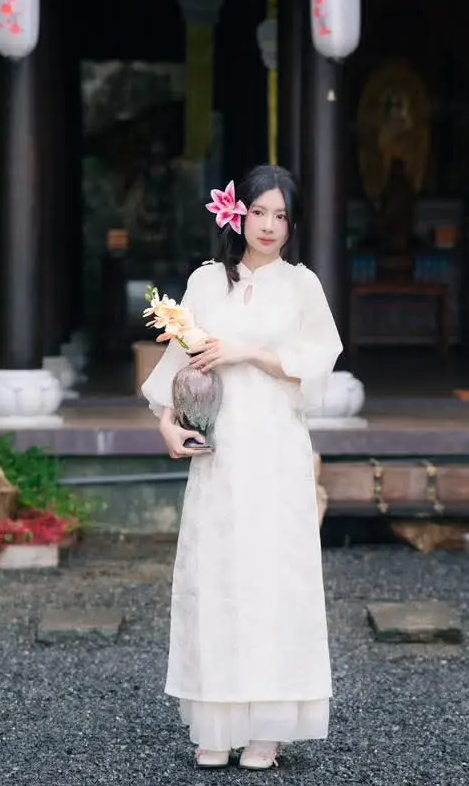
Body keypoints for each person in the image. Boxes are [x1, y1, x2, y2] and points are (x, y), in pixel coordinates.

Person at [141, 164, 342, 770]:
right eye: (259, 213)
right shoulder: (206, 282)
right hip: (221, 451)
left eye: (281, 216)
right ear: (237, 215)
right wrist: (167, 424)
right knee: (217, 577)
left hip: (276, 448)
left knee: (273, 579)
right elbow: (177, 365)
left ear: (293, 225)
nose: (269, 226)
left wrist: (247, 352)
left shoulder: (301, 285)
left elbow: (318, 360)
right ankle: (216, 721)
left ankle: (267, 728)